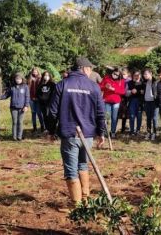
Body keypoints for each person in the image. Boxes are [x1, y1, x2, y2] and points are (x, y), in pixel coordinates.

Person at [47, 57, 105, 210]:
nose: (91, 71)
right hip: (88, 135)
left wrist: (51, 131)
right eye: (90, 68)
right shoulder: (94, 86)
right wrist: (101, 133)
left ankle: (77, 205)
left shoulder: (62, 85)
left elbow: (52, 112)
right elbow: (100, 112)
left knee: (71, 169)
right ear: (83, 68)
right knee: (83, 164)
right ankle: (84, 200)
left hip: (70, 134)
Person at [2, 72, 30, 141]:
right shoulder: (12, 87)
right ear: (15, 79)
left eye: (19, 79)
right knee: (14, 122)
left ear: (22, 79)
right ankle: (14, 137)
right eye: (16, 79)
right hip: (13, 107)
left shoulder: (25, 87)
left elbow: (27, 97)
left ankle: (19, 136)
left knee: (20, 122)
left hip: (22, 108)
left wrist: (26, 106)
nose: (18, 80)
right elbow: (6, 95)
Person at [100, 68, 125, 138]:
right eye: (114, 73)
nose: (115, 75)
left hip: (116, 101)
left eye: (117, 75)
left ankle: (113, 131)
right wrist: (105, 87)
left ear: (119, 75)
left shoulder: (121, 81)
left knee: (114, 117)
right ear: (112, 72)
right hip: (107, 100)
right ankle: (105, 132)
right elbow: (100, 86)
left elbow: (123, 91)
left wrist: (113, 89)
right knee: (107, 117)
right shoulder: (106, 78)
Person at [126, 70, 144, 136]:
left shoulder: (143, 83)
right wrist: (130, 91)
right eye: (135, 75)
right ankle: (132, 130)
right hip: (132, 101)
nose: (136, 76)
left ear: (140, 75)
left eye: (138, 75)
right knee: (132, 116)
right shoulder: (129, 83)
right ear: (133, 75)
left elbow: (144, 92)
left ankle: (138, 130)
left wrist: (142, 92)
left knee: (139, 116)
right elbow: (126, 93)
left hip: (140, 101)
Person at [27, 67, 44, 132]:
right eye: (33, 71)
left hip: (38, 99)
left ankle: (42, 126)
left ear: (38, 72)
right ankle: (34, 127)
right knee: (33, 113)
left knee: (39, 113)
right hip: (31, 98)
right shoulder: (30, 78)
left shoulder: (40, 79)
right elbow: (28, 88)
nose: (34, 73)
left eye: (36, 71)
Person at [143, 68, 158, 140]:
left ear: (150, 73)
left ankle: (154, 133)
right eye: (144, 74)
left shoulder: (155, 81)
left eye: (146, 74)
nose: (144, 75)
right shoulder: (144, 82)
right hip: (147, 102)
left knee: (154, 118)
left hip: (154, 103)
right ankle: (148, 132)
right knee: (148, 118)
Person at [119, 68, 131, 133]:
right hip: (121, 98)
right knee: (123, 113)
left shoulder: (129, 80)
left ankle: (125, 128)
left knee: (127, 113)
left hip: (128, 98)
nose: (123, 75)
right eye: (122, 74)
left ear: (127, 74)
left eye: (124, 74)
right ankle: (123, 127)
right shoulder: (120, 80)